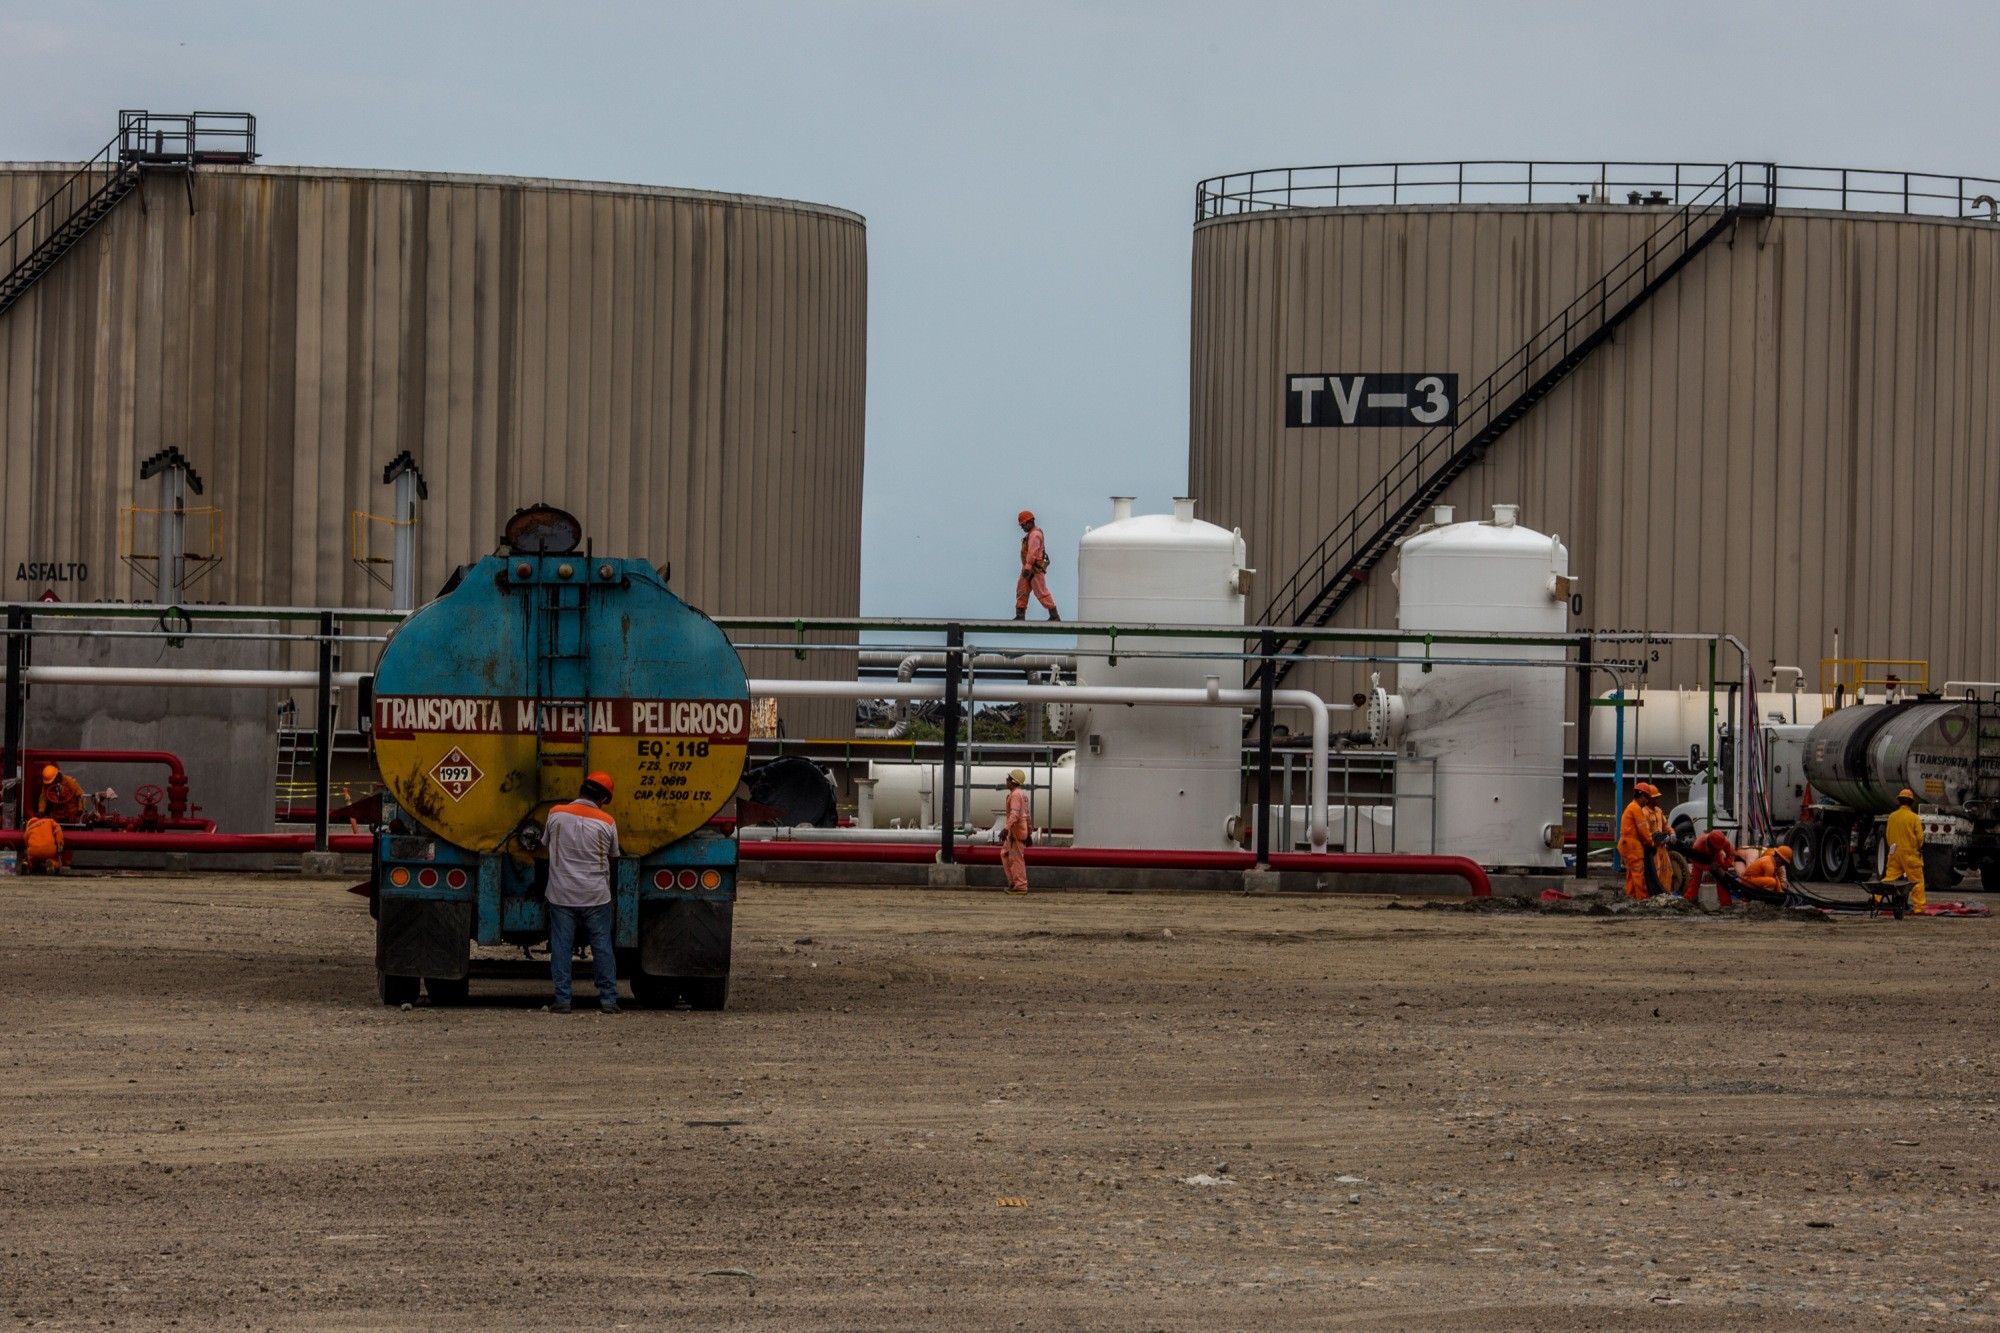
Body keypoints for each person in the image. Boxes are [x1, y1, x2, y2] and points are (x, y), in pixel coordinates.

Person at [543, 770, 622, 1014]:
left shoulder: (555, 814)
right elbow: (613, 856)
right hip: (596, 896)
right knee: (602, 947)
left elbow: (545, 843)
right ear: (604, 800)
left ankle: (563, 1000)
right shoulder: (607, 822)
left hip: (561, 894)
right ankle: (608, 1000)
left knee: (561, 947)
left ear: (581, 789)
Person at [1618, 782, 1667, 900]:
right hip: (1633, 848)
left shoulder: (1631, 807)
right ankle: (1642, 900)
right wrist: (1652, 843)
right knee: (1638, 875)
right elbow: (1643, 831)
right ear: (1642, 796)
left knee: (1631, 875)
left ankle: (1631, 897)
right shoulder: (1636, 809)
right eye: (1647, 798)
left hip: (1627, 846)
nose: (1647, 802)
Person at [1883, 787, 1927, 913]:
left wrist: (1893, 848)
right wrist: (1918, 848)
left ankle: (1876, 898)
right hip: (1910, 855)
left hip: (1894, 853)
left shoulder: (1892, 816)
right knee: (1917, 881)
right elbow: (1920, 837)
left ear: (1899, 801)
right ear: (1911, 802)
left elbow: (1888, 835)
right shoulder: (1914, 818)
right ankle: (1919, 908)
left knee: (1889, 879)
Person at [1013, 510, 1060, 621]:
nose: (1022, 527)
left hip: (1034, 569)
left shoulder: (1035, 535)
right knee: (1021, 590)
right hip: (1028, 568)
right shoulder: (1031, 534)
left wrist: (1028, 566)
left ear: (1030, 522)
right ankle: (1020, 615)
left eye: (1023, 524)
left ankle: (1054, 615)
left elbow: (1033, 552)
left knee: (1041, 592)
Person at [1683, 827, 1737, 907]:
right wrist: (1709, 867)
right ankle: (1689, 899)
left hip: (1717, 858)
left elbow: (1731, 855)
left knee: (1722, 879)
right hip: (1701, 859)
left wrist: (1724, 865)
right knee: (1695, 878)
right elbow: (1695, 861)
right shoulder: (1698, 844)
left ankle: (1726, 904)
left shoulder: (1724, 842)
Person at [1001, 769, 1032, 895]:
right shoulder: (1021, 794)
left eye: (1008, 779)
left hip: (1015, 832)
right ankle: (1014, 882)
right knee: (1005, 854)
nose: (1006, 781)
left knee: (1016, 858)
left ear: (1013, 782)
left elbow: (1014, 814)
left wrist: (1006, 829)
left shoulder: (1015, 795)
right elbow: (1027, 815)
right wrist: (1029, 832)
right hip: (1018, 831)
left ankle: (1020, 886)